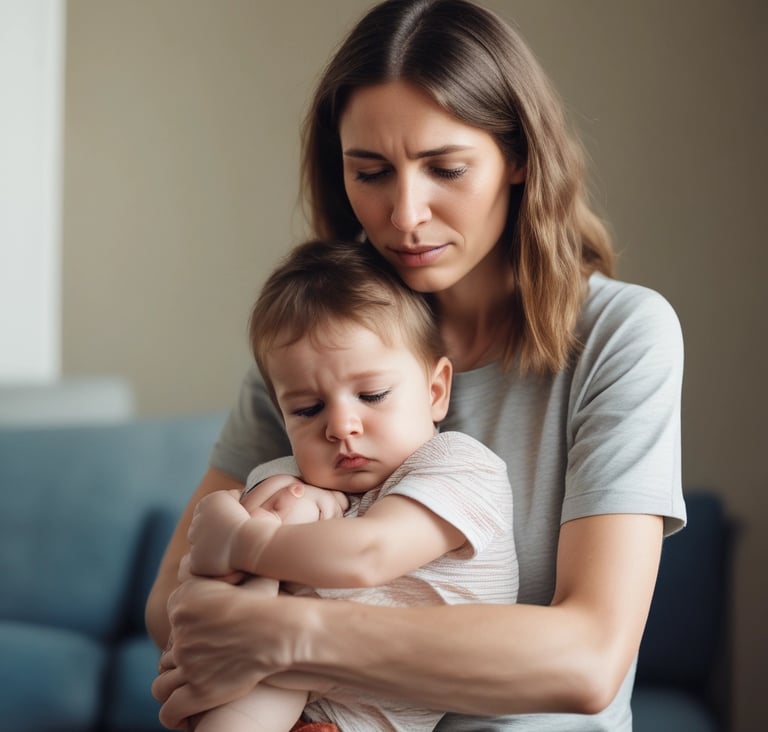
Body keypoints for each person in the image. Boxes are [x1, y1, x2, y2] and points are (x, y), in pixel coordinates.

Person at [148, 0, 686, 729]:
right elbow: (173, 611)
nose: (405, 214)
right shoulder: (320, 349)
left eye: (446, 168)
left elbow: (586, 660)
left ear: (519, 157)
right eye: (370, 172)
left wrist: (283, 635)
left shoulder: (622, 335)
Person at [186, 239, 518, 732]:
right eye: (307, 409)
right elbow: (213, 596)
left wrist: (242, 539)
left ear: (435, 390)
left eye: (372, 395)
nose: (341, 426)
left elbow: (368, 555)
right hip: (271, 690)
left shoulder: (461, 468)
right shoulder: (288, 475)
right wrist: (255, 512)